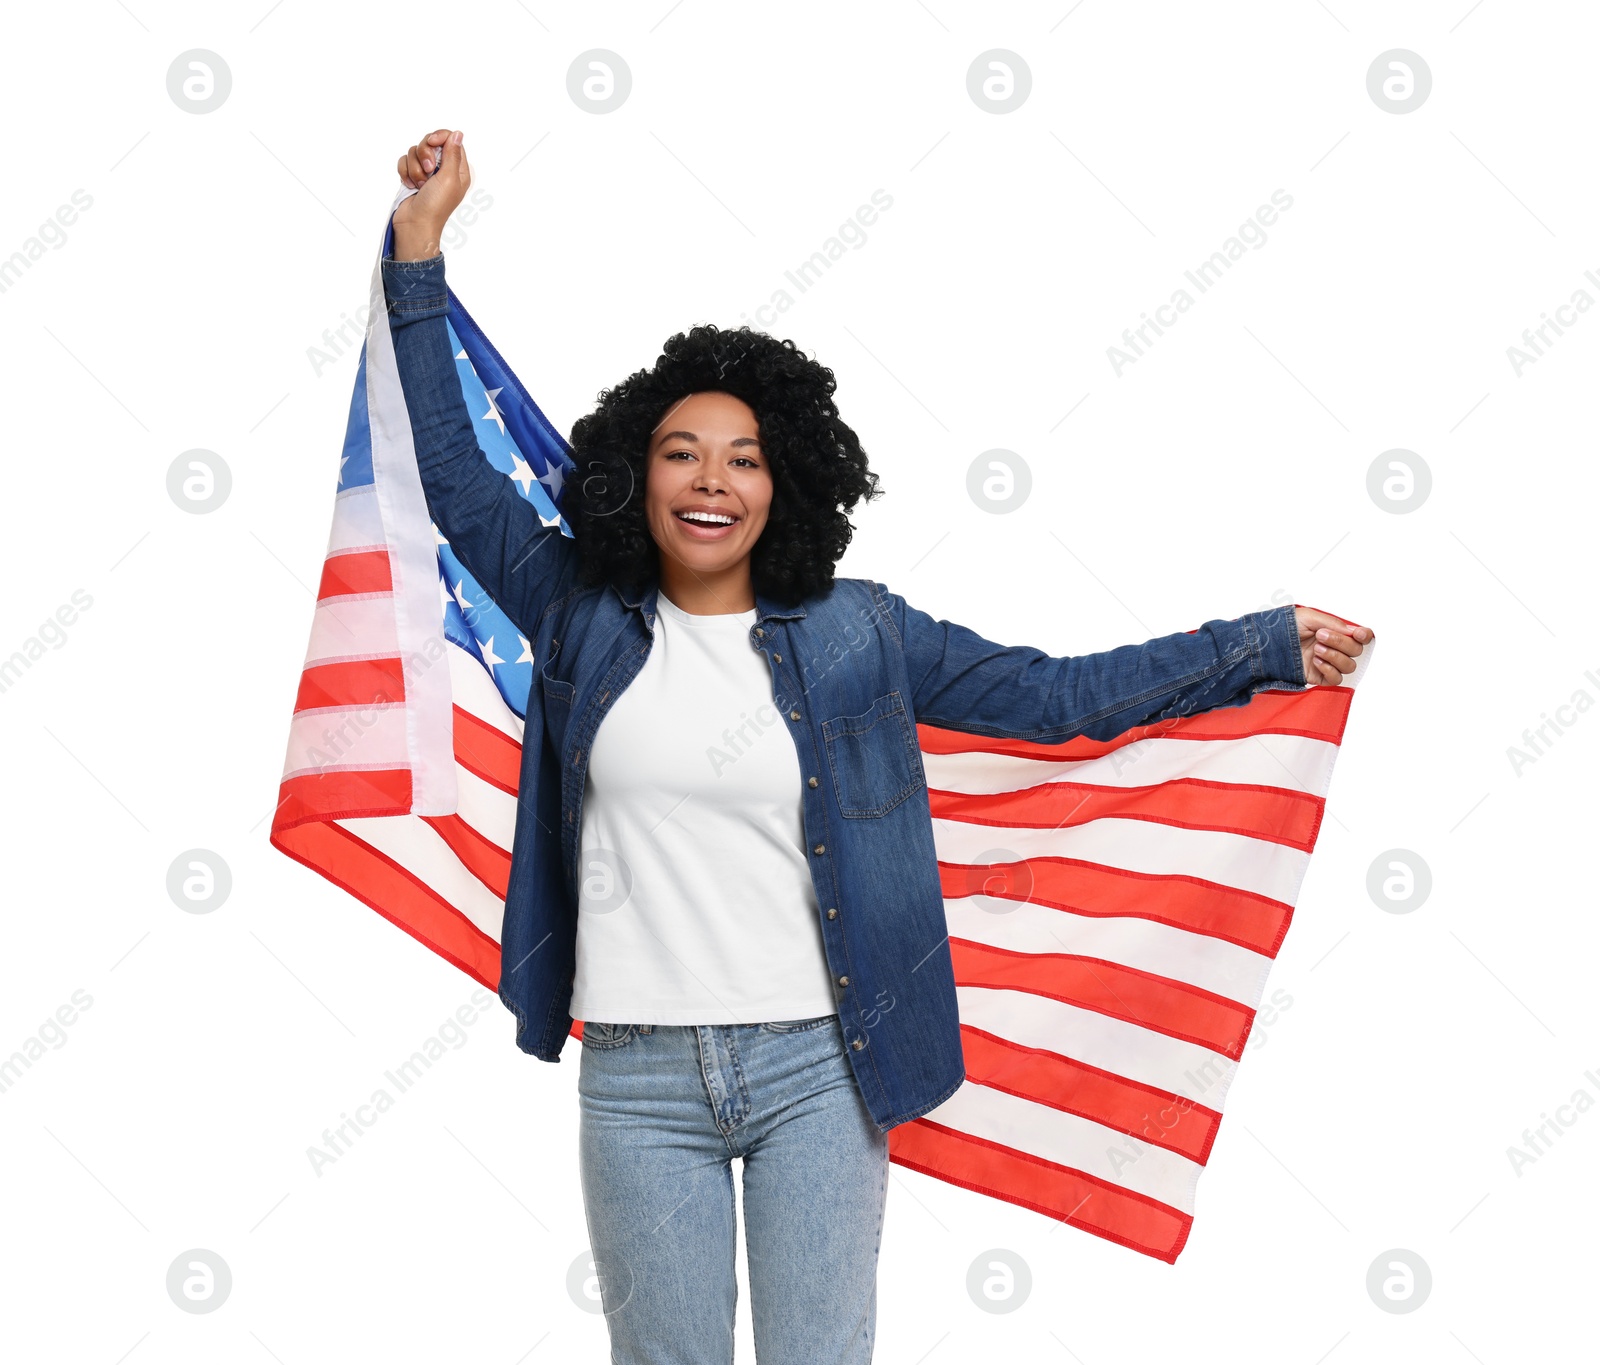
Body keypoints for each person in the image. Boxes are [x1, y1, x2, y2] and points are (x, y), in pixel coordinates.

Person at [382, 127, 1373, 1365]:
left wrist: (1256, 646)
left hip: (818, 1069)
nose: (710, 481)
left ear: (785, 485)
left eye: (744, 460)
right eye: (679, 453)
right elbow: (459, 484)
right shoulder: (578, 616)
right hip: (634, 1077)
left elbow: (1057, 696)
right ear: (635, 477)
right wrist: (416, 255)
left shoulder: (857, 634)